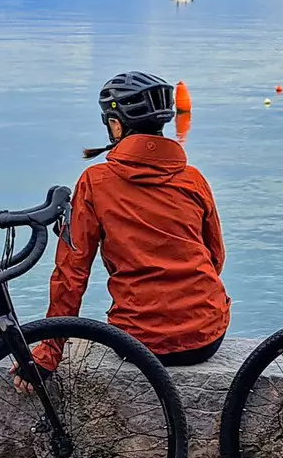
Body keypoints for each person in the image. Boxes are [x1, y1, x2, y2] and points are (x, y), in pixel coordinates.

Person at [34, 71, 228, 372]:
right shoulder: (193, 179)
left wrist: (50, 351)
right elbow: (215, 257)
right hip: (206, 336)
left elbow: (71, 273)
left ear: (115, 124)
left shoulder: (95, 182)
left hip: (137, 343)